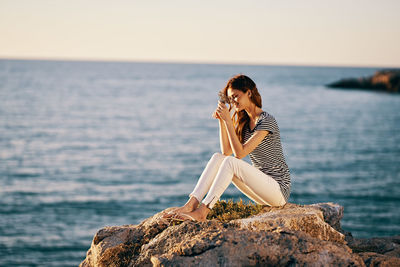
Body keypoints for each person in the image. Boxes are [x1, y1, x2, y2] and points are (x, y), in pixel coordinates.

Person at [163, 74, 291, 222]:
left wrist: (228, 121)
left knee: (231, 163)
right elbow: (226, 152)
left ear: (248, 93)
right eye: (230, 98)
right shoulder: (246, 122)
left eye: (236, 96)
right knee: (218, 157)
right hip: (262, 190)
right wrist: (222, 121)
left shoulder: (266, 121)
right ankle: (191, 205)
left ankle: (202, 213)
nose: (233, 101)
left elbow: (240, 153)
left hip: (278, 190)